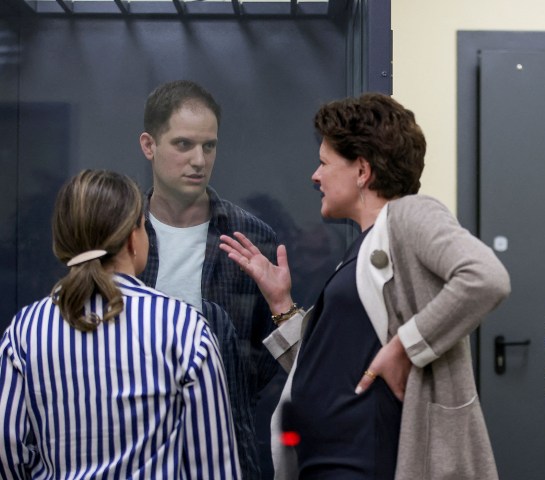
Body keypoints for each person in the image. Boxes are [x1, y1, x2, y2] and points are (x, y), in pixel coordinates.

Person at [219, 92, 511, 479]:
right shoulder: (363, 247)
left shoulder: (410, 214)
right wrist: (282, 305)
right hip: (331, 462)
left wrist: (405, 347)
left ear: (362, 171)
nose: (315, 175)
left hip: (368, 461)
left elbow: (486, 277)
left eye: (324, 163)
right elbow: (333, 369)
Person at [0, 169, 240, 478]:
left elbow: (8, 450)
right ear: (132, 238)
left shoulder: (26, 331)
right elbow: (213, 468)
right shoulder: (183, 328)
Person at [138, 79, 279, 479]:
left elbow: (267, 353)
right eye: (183, 144)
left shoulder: (250, 237)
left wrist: (224, 397)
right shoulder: (120, 233)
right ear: (149, 145)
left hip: (224, 443)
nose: (199, 160)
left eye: (209, 146)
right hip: (134, 439)